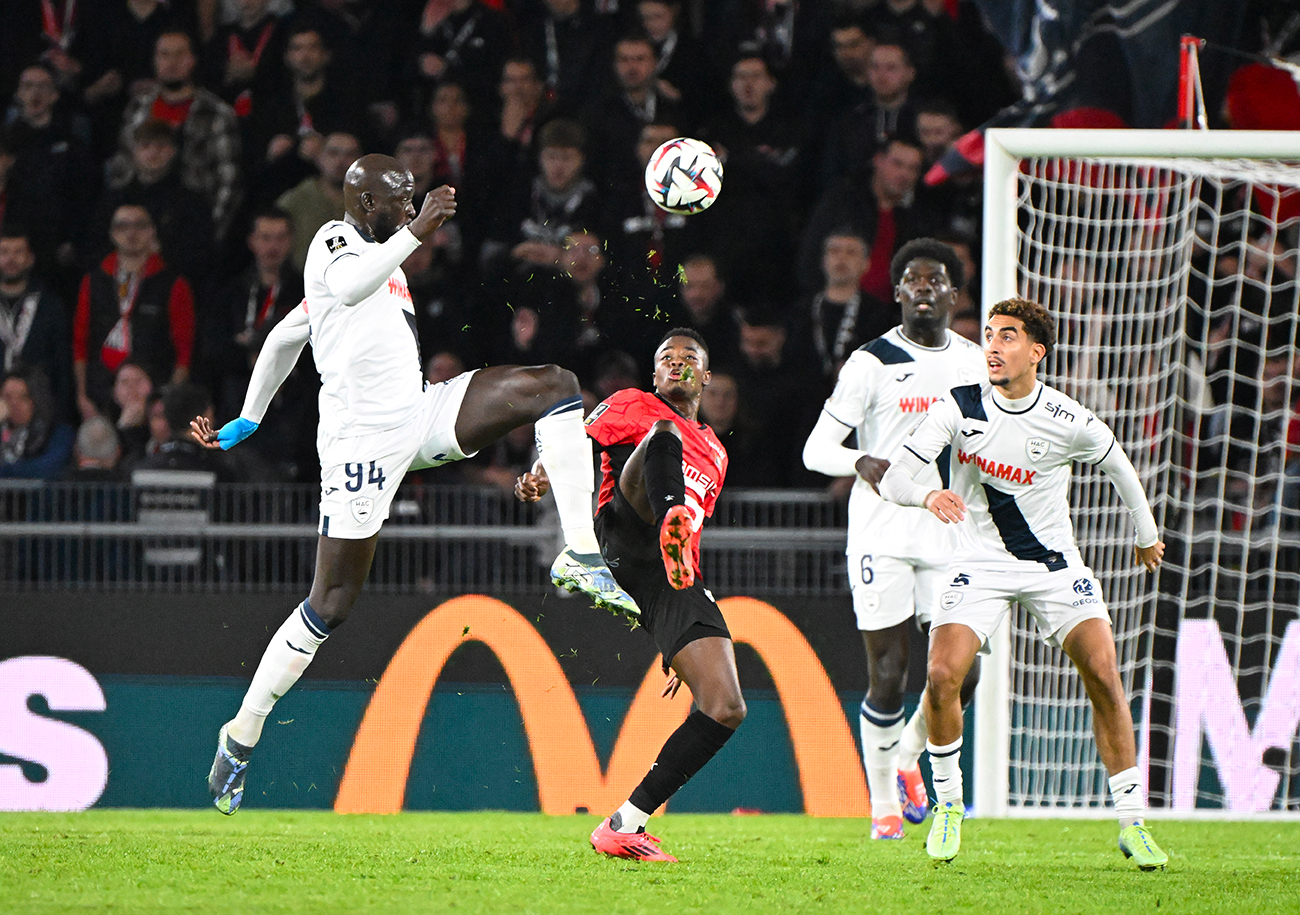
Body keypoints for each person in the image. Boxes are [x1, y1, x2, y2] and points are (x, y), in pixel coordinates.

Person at [196, 154, 636, 815]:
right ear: (363, 202)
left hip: (419, 412)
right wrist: (418, 228)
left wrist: (250, 414)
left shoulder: (384, 251)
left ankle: (579, 552)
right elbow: (339, 294)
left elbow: (290, 332)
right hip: (360, 447)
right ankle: (241, 733)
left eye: (412, 200)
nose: (408, 208)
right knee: (331, 603)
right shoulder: (335, 243)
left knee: (556, 386)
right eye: (397, 200)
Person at [877, 296, 1169, 869]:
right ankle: (949, 807)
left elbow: (1120, 467)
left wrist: (1146, 534)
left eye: (1007, 336)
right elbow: (896, 478)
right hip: (978, 564)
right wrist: (927, 493)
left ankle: (1133, 823)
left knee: (1105, 675)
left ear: (1036, 352)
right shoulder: (957, 408)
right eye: (988, 334)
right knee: (941, 676)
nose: (992, 345)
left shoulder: (1066, 418)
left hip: (1054, 568)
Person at [514, 328, 743, 862]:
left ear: (706, 376)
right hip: (623, 529)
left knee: (725, 705)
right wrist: (540, 474)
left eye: (690, 358)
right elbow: (576, 444)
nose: (678, 364)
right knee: (665, 434)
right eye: (667, 357)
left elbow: (690, 539)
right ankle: (670, 517)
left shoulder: (715, 451)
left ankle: (624, 825)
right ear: (655, 372)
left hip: (667, 571)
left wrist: (676, 632)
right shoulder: (632, 405)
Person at [801, 238, 985, 841]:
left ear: (954, 296)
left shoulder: (975, 362)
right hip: (880, 532)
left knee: (963, 673)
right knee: (889, 671)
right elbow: (815, 450)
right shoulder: (870, 362)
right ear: (899, 293)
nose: (925, 287)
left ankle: (908, 758)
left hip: (949, 530)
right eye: (913, 279)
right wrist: (860, 461)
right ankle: (883, 807)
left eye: (937, 280)